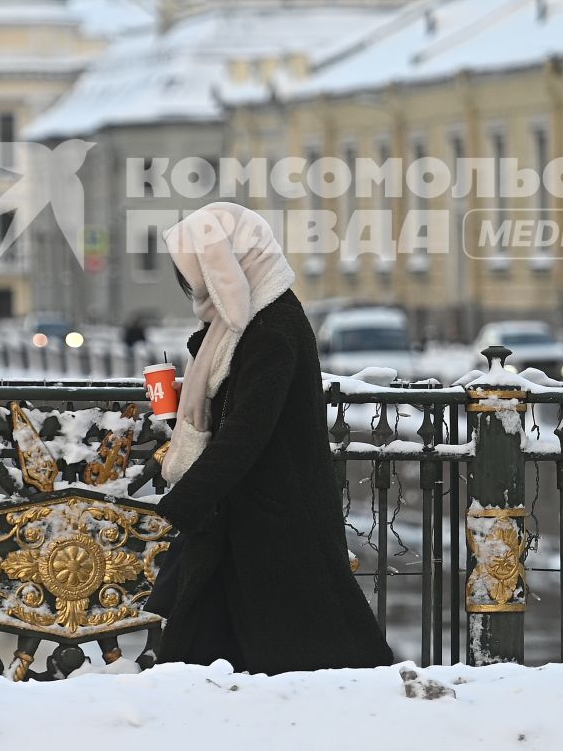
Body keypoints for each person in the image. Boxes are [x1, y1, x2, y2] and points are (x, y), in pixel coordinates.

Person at [143, 201, 393, 674]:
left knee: (306, 653)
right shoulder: (246, 322)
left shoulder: (271, 327)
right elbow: (239, 404)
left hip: (276, 515)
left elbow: (247, 430)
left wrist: (183, 500)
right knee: (229, 647)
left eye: (194, 270)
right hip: (253, 513)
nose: (190, 283)